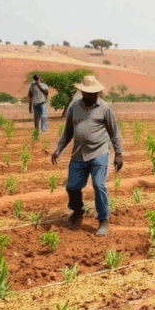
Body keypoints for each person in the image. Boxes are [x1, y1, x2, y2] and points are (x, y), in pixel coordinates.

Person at [51, 75, 124, 236]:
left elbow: (114, 132)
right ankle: (78, 210)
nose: (93, 96)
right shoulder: (74, 107)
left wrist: (118, 153)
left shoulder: (105, 108)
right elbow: (68, 131)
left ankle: (103, 219)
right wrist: (59, 149)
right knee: (72, 186)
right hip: (78, 153)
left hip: (99, 152)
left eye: (95, 93)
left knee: (99, 185)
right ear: (82, 92)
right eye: (89, 93)